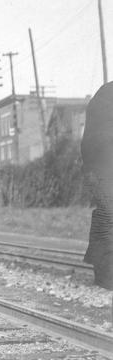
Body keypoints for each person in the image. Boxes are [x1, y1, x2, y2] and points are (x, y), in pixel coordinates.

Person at [81, 82, 113, 290]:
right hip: (103, 167)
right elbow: (97, 140)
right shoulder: (106, 96)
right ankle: (105, 277)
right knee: (107, 216)